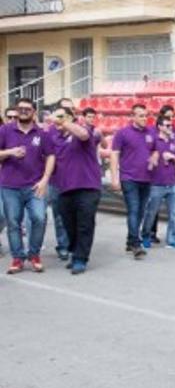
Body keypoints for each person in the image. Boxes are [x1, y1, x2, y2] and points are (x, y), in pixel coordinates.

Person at [1, 98, 56, 274]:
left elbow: (51, 156)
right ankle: (18, 258)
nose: (23, 111)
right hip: (10, 186)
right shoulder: (5, 130)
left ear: (34, 111)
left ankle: (34, 255)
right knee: (13, 222)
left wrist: (45, 179)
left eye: (27, 108)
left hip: (35, 186)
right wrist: (10, 152)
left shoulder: (42, 133)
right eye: (21, 108)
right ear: (16, 111)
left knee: (39, 219)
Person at [50, 106, 102, 274]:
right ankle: (75, 251)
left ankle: (80, 258)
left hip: (87, 187)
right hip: (64, 188)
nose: (58, 120)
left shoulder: (83, 130)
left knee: (85, 224)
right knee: (68, 225)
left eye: (63, 116)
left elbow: (84, 135)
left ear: (72, 118)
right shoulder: (54, 137)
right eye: (56, 116)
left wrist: (64, 122)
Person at [110, 104, 153, 259]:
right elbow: (114, 154)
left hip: (147, 178)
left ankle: (130, 240)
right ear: (132, 117)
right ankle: (136, 244)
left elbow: (155, 149)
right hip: (129, 178)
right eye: (141, 115)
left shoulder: (151, 132)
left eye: (145, 115)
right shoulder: (122, 133)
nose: (144, 118)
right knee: (134, 210)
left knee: (140, 211)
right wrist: (114, 177)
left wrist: (154, 156)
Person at [142, 116, 175, 251]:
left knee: (174, 214)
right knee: (151, 212)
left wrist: (173, 157)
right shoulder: (153, 141)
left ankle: (172, 239)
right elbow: (145, 158)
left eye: (171, 125)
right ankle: (145, 236)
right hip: (157, 183)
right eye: (167, 125)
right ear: (159, 127)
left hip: (173, 182)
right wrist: (153, 159)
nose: (170, 128)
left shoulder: (174, 142)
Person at [45, 98, 76, 260]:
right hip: (56, 181)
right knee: (59, 216)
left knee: (77, 216)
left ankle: (75, 245)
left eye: (68, 112)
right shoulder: (49, 132)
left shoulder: (79, 132)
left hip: (76, 182)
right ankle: (63, 245)